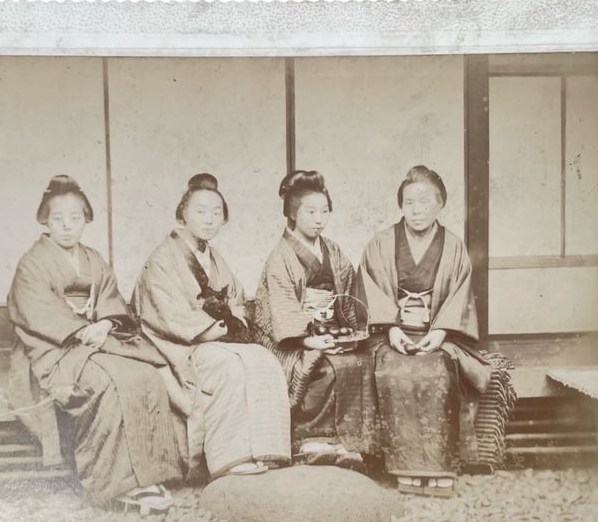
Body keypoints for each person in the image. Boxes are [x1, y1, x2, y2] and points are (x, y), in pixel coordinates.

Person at [6, 175, 183, 515]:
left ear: (85, 219)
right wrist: (82, 331)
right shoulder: (32, 262)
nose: (67, 226)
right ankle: (114, 484)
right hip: (57, 347)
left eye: (75, 218)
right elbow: (35, 310)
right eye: (58, 219)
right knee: (109, 384)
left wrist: (104, 324)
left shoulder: (94, 258)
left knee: (145, 375)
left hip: (98, 339)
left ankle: (151, 475)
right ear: (46, 221)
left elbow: (110, 300)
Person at [355, 165, 516, 496]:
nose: (416, 210)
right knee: (393, 373)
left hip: (438, 333)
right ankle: (406, 467)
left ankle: (440, 466)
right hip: (391, 335)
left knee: (439, 372)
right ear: (401, 205)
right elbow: (370, 290)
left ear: (440, 204)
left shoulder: (453, 246)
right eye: (409, 202)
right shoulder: (381, 243)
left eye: (424, 202)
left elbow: (459, 296)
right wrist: (391, 330)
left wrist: (440, 332)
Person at [132, 173, 292, 479]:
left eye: (216, 213)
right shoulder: (162, 258)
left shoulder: (215, 257)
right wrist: (207, 329)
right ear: (183, 213)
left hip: (215, 339)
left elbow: (236, 299)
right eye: (201, 211)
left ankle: (267, 450)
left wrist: (231, 322)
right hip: (179, 346)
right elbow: (163, 309)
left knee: (265, 360)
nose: (209, 219)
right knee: (229, 368)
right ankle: (229, 457)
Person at [252, 170, 377, 469]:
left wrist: (348, 330)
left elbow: (349, 291)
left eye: (325, 211)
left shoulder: (332, 249)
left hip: (330, 329)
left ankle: (348, 441)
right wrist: (310, 340)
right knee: (321, 366)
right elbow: (280, 309)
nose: (319, 219)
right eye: (311, 212)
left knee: (360, 361)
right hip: (292, 339)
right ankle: (310, 440)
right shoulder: (280, 256)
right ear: (292, 214)